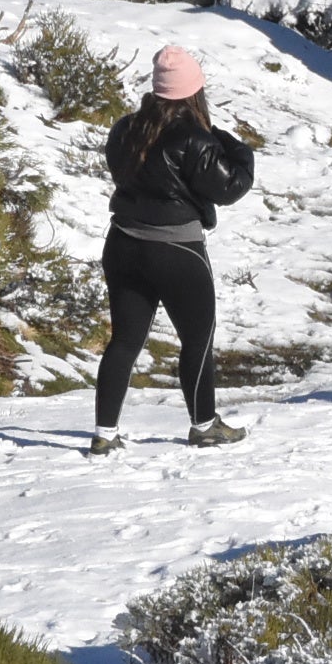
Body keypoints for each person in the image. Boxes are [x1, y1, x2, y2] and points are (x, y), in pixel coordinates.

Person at [91, 45, 255, 454]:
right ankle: (203, 425)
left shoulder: (125, 128)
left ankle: (104, 434)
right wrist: (239, 149)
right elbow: (230, 186)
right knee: (197, 339)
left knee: (124, 342)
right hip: (177, 252)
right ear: (193, 91)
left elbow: (124, 171)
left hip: (123, 245)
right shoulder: (195, 139)